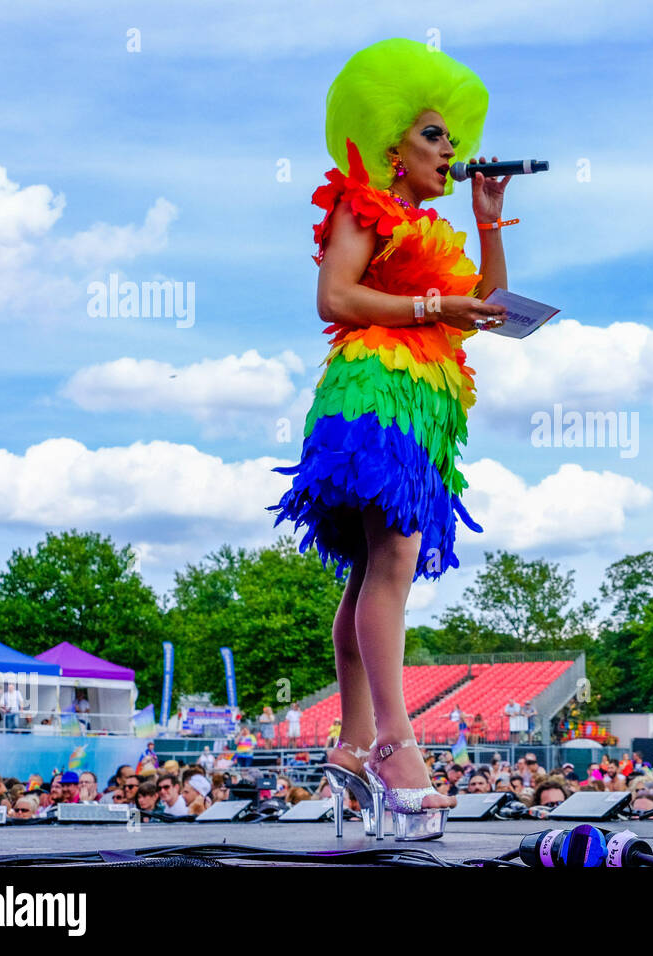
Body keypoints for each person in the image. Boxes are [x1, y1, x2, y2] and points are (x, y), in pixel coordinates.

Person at [271, 37, 514, 839]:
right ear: (391, 149)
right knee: (395, 562)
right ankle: (396, 744)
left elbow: (489, 307)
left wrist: (488, 224)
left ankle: (348, 744)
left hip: (422, 402)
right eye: (433, 136)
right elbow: (334, 296)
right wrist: (428, 312)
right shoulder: (359, 204)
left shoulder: (426, 226)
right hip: (376, 394)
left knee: (375, 567)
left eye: (453, 139)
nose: (451, 151)